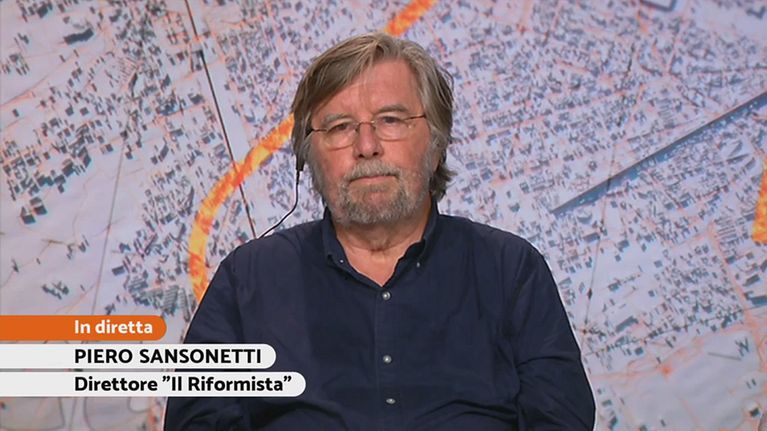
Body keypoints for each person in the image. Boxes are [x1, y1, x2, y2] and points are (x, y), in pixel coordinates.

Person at [165, 32, 595, 430]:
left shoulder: (510, 269)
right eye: (339, 127)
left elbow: (560, 419)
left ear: (436, 142)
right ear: (307, 156)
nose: (367, 146)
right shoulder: (248, 279)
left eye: (390, 120)